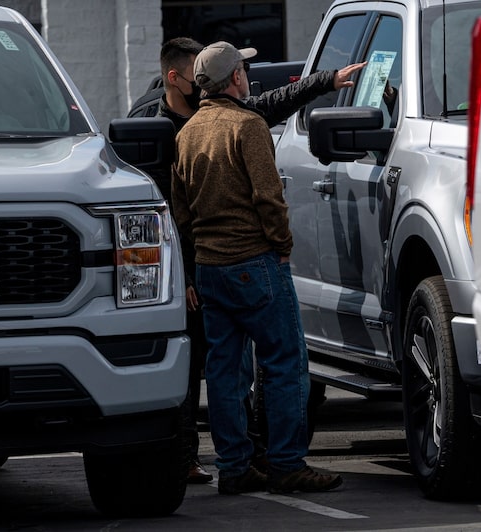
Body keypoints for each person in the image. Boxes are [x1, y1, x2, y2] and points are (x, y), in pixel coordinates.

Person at [157, 37, 365, 484]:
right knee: (286, 364)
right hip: (255, 262)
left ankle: (233, 468)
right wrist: (282, 244)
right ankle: (288, 464)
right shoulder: (247, 125)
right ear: (235, 77)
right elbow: (268, 197)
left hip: (211, 270)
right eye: (244, 70)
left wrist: (194, 268)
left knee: (225, 373)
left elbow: (181, 211)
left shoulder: (187, 132)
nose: (248, 76)